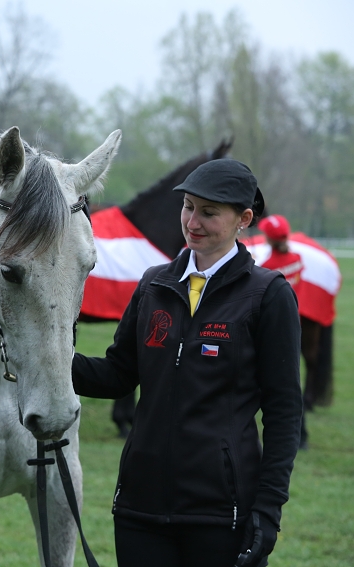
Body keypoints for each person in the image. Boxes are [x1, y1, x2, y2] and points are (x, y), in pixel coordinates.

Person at [72, 159, 302, 567]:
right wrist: (52, 361)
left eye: (209, 212)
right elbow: (117, 375)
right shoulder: (153, 285)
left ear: (243, 219)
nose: (192, 221)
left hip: (222, 516)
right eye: (188, 207)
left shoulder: (268, 295)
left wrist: (268, 510)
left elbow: (284, 413)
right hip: (139, 510)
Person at [256, 214, 310, 450]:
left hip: (271, 330)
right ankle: (302, 435)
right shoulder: (297, 259)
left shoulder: (267, 269)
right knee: (291, 383)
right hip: (294, 326)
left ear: (267, 238)